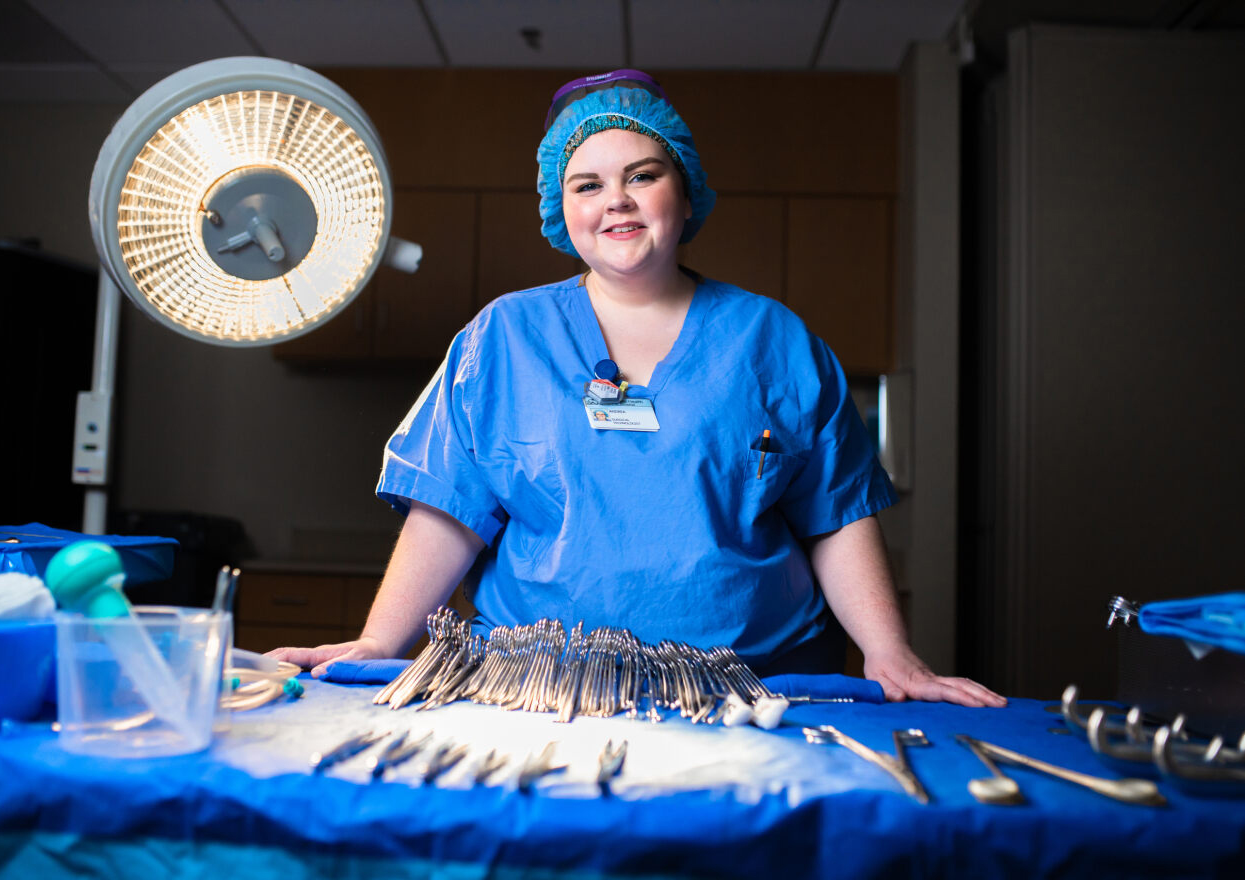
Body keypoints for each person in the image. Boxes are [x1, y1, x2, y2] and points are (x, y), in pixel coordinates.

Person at [270, 70, 1005, 708]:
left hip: (756, 691)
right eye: (586, 184)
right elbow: (452, 510)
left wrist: (889, 654)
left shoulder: (771, 339)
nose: (614, 200)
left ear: (684, 194)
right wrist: (376, 641)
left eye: (642, 176)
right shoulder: (503, 337)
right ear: (562, 211)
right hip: (537, 691)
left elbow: (835, 513)